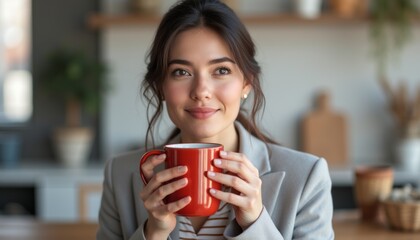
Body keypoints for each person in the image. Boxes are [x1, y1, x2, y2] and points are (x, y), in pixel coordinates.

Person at [97, 0, 334, 239]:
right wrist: (154, 233)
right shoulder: (120, 175)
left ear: (247, 82)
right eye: (181, 72)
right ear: (160, 86)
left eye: (221, 70)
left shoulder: (306, 178)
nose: (201, 91)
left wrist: (255, 223)